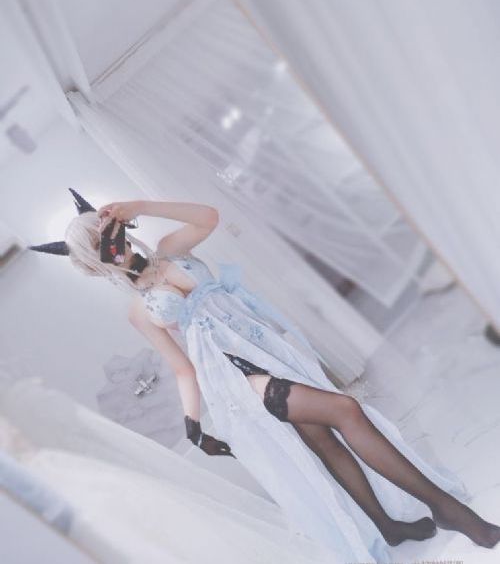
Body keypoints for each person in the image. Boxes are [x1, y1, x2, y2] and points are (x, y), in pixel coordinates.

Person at [29, 189, 500, 563]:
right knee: (346, 410)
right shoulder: (139, 310)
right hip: (236, 378)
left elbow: (208, 216)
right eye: (99, 246)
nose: (112, 245)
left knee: (324, 439)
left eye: (109, 232)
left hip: (269, 351)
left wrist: (141, 205)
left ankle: (387, 526)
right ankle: (447, 509)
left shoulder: (171, 248)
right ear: (94, 262)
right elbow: (182, 367)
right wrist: (193, 425)